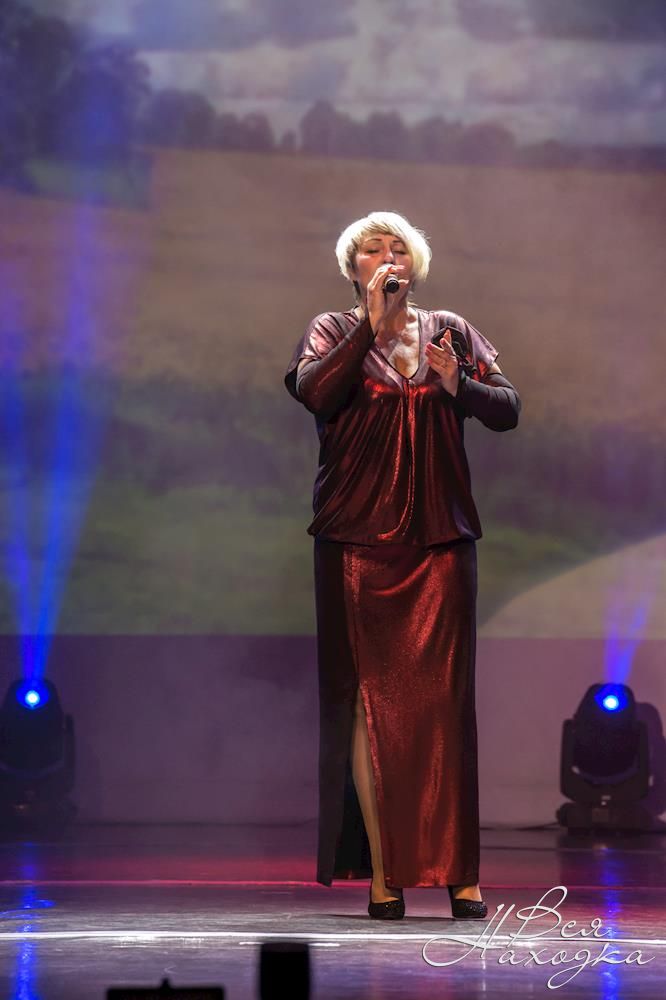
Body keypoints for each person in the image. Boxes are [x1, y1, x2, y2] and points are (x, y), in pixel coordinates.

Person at [284, 211, 520, 920]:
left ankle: (460, 875)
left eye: (399, 249)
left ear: (414, 264)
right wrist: (370, 324)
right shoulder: (331, 331)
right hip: (356, 544)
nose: (388, 257)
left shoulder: (451, 332)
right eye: (372, 249)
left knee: (443, 710)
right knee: (367, 708)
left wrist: (460, 385)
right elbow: (317, 393)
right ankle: (386, 873)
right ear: (352, 268)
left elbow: (507, 409)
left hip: (440, 544)